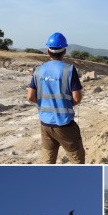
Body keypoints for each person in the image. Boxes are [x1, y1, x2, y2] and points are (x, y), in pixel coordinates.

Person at [27, 32, 85, 164]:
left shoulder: (38, 70)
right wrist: (62, 105)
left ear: (48, 51)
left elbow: (30, 96)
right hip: (65, 125)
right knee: (78, 161)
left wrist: (46, 103)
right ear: (64, 51)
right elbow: (77, 98)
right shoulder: (69, 70)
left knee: (48, 161)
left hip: (45, 125)